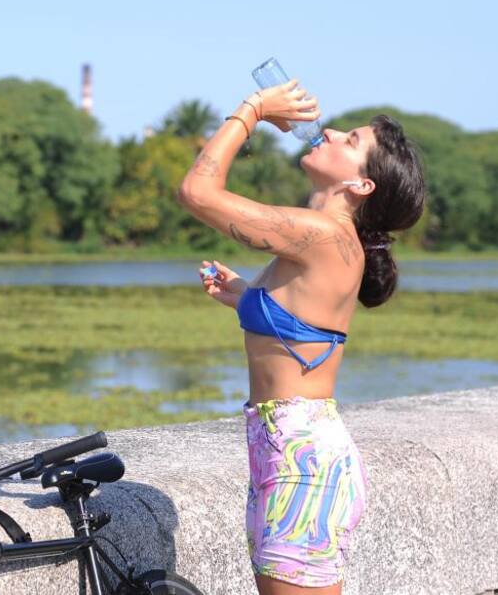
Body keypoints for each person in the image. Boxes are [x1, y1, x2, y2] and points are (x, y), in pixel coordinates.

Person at [176, 80, 425, 595]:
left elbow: (198, 193)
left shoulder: (324, 233)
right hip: (284, 453)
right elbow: (303, 325)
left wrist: (253, 110)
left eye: (350, 140)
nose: (329, 132)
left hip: (302, 463)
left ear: (361, 185)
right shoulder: (321, 239)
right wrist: (246, 298)